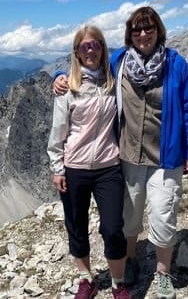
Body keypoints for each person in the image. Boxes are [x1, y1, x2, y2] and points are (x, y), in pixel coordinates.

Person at [53, 7, 188, 299]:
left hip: (165, 155)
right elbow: (85, 69)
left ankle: (163, 273)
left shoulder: (175, 64)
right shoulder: (120, 61)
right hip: (129, 155)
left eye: (149, 29)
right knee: (128, 218)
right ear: (129, 35)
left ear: (159, 31)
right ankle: (128, 264)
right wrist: (58, 77)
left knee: (163, 214)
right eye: (136, 30)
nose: (143, 34)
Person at [47, 25, 131, 299]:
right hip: (75, 168)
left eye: (95, 45)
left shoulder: (113, 79)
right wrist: (57, 168)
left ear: (103, 48)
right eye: (85, 46)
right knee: (76, 226)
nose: (90, 50)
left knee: (112, 228)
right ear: (77, 52)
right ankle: (86, 279)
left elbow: (135, 51)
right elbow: (58, 131)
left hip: (109, 165)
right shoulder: (67, 88)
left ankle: (118, 283)